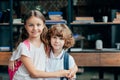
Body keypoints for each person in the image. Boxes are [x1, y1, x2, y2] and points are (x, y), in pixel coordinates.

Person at [8, 10, 71, 80]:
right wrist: (60, 73)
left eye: (38, 25)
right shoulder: (24, 47)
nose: (35, 28)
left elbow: (64, 58)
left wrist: (72, 71)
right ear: (25, 26)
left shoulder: (46, 44)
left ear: (43, 25)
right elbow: (34, 74)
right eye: (31, 25)